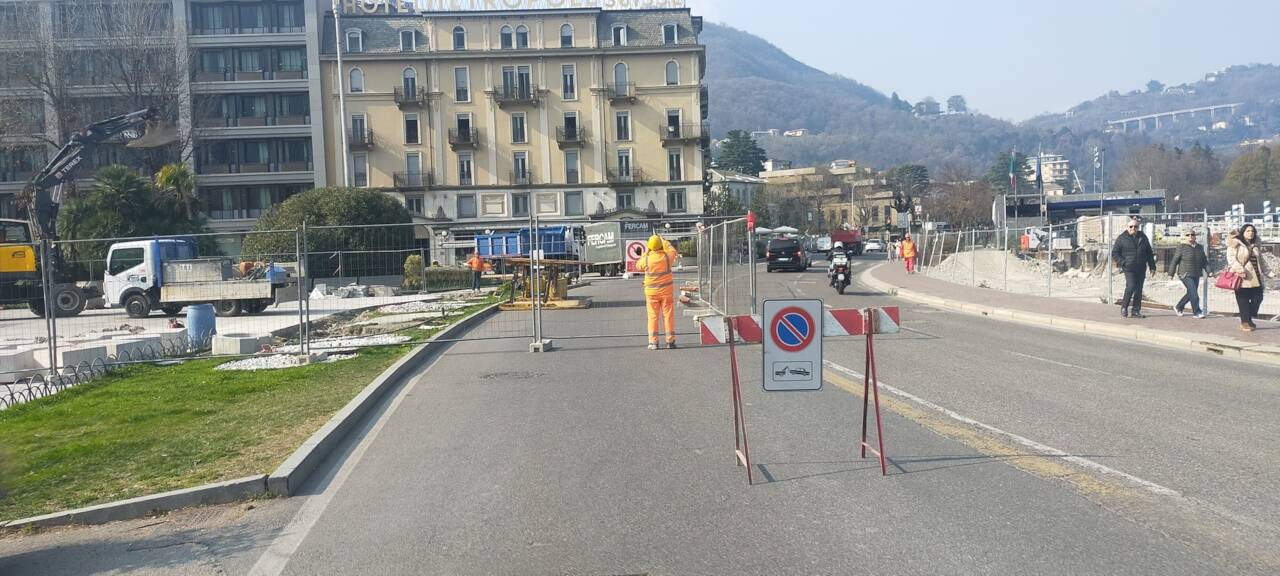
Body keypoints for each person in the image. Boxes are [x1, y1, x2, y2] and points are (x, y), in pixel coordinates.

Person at [635, 234, 679, 350]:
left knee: (653, 317)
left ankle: (653, 342)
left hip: (651, 293)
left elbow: (638, 266)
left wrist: (647, 252)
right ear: (660, 245)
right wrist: (664, 241)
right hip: (666, 292)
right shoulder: (666, 257)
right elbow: (673, 251)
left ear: (649, 246)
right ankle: (670, 342)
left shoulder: (646, 258)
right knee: (668, 316)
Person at [1111, 217, 1156, 318]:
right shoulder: (1122, 238)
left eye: (1135, 226)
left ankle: (1136, 310)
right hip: (1129, 268)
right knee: (1131, 287)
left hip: (1141, 267)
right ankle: (1124, 307)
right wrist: (1123, 262)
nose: (1133, 228)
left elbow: (1149, 252)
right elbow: (1115, 252)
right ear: (1127, 227)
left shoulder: (1143, 237)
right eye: (1131, 226)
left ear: (1138, 227)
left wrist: (1152, 266)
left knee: (1139, 289)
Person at [1228, 224, 1269, 332]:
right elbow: (1231, 258)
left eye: (1252, 231)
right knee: (1243, 300)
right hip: (1242, 276)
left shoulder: (1256, 245)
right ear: (1243, 232)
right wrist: (1239, 269)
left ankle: (1247, 317)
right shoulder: (1236, 243)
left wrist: (1269, 272)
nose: (1250, 233)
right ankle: (1245, 322)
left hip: (1256, 276)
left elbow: (1261, 260)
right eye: (1247, 231)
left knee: (1258, 298)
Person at [1169, 229, 1209, 318]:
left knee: (1191, 293)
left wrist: (1209, 271)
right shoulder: (1181, 247)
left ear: (1195, 236)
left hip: (1196, 273)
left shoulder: (1199, 247)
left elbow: (1204, 261)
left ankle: (1178, 306)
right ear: (1185, 237)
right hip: (1185, 274)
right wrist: (1170, 274)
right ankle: (1197, 312)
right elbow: (1174, 261)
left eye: (1192, 234)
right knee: (1194, 294)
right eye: (1188, 235)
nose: (1190, 236)